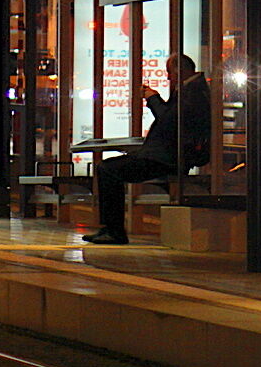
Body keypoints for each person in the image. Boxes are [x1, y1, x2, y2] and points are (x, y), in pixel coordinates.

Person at [82, 53, 211, 245]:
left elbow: (169, 120)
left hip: (166, 158)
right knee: (108, 168)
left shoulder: (192, 91)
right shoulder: (191, 89)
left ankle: (114, 230)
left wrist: (153, 99)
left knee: (107, 170)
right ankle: (110, 228)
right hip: (166, 155)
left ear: (180, 70)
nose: (168, 78)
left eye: (170, 72)